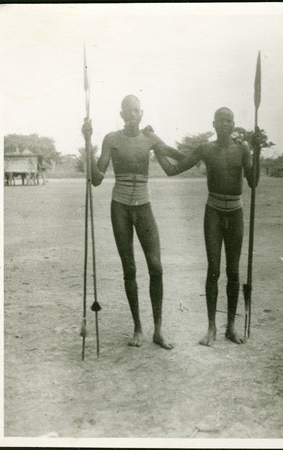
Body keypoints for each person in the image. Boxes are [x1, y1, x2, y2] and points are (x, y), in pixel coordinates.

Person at [82, 94, 185, 350]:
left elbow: (179, 157)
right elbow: (96, 179)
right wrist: (87, 140)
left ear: (142, 112)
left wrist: (161, 139)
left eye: (136, 111)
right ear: (121, 114)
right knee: (129, 269)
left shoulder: (150, 138)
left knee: (156, 267)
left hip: (144, 207)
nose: (132, 115)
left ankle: (158, 330)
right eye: (127, 111)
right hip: (120, 208)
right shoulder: (111, 139)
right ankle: (138, 327)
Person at [155, 107, 261, 346]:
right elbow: (174, 169)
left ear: (234, 124)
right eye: (221, 120)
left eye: (229, 120)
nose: (225, 124)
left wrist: (257, 150)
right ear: (213, 124)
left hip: (235, 212)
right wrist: (156, 147)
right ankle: (212, 328)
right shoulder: (205, 149)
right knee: (213, 269)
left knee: (233, 271)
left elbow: (253, 182)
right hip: (212, 212)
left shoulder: (243, 149)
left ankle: (231, 327)